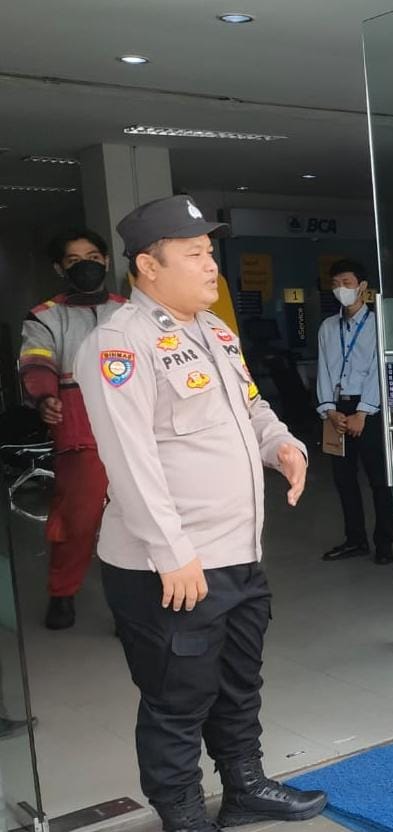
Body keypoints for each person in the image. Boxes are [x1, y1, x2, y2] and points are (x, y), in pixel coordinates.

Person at [77, 195, 327, 832]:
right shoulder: (120, 344)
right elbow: (129, 459)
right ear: (148, 266)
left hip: (237, 552)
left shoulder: (214, 331)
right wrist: (172, 552)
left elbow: (252, 407)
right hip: (171, 565)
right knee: (177, 699)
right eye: (193, 254)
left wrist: (282, 445)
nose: (211, 264)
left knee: (239, 682)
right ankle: (183, 814)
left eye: (210, 251)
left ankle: (244, 787)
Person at [19, 229, 128, 630]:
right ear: (59, 268)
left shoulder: (130, 311)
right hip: (79, 429)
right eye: (74, 260)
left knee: (134, 520)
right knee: (78, 521)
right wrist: (44, 396)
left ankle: (131, 607)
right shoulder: (46, 315)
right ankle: (62, 592)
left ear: (106, 261)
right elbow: (36, 361)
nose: (86, 265)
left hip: (133, 431)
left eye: (94, 257)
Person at [315, 259, 393, 565]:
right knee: (344, 480)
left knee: (379, 480)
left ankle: (384, 543)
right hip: (336, 409)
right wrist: (328, 409)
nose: (340, 289)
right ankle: (355, 540)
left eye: (346, 283)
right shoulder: (328, 327)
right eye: (335, 284)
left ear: (362, 286)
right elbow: (324, 369)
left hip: (369, 409)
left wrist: (363, 412)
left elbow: (380, 370)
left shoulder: (378, 324)